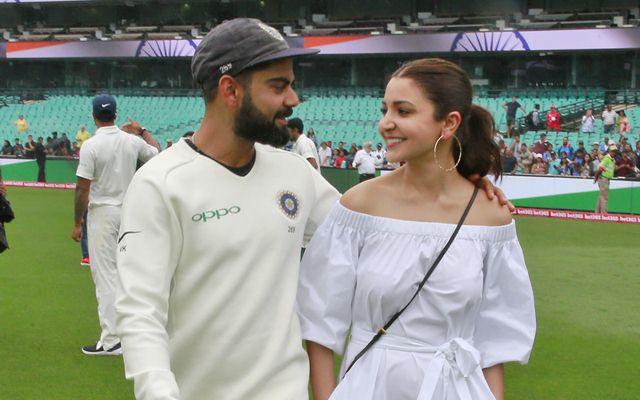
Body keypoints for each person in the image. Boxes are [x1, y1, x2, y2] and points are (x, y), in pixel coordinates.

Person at [114, 21, 511, 400]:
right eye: (278, 86)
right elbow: (140, 313)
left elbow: (382, 226)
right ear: (230, 90)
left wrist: (465, 188)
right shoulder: (161, 184)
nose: (293, 99)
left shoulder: (293, 174)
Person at [298, 58, 534, 400]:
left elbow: (494, 341)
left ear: (449, 122)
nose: (385, 124)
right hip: (370, 386)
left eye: (403, 111)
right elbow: (320, 323)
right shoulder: (358, 206)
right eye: (385, 109)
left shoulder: (491, 218)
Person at [71, 94, 159, 357]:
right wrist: (142, 130)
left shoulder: (90, 145)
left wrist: (77, 221)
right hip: (130, 212)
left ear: (94, 116)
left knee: (106, 277)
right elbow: (156, 155)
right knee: (128, 275)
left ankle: (111, 341)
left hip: (104, 214)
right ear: (116, 115)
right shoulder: (131, 140)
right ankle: (134, 334)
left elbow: (82, 188)